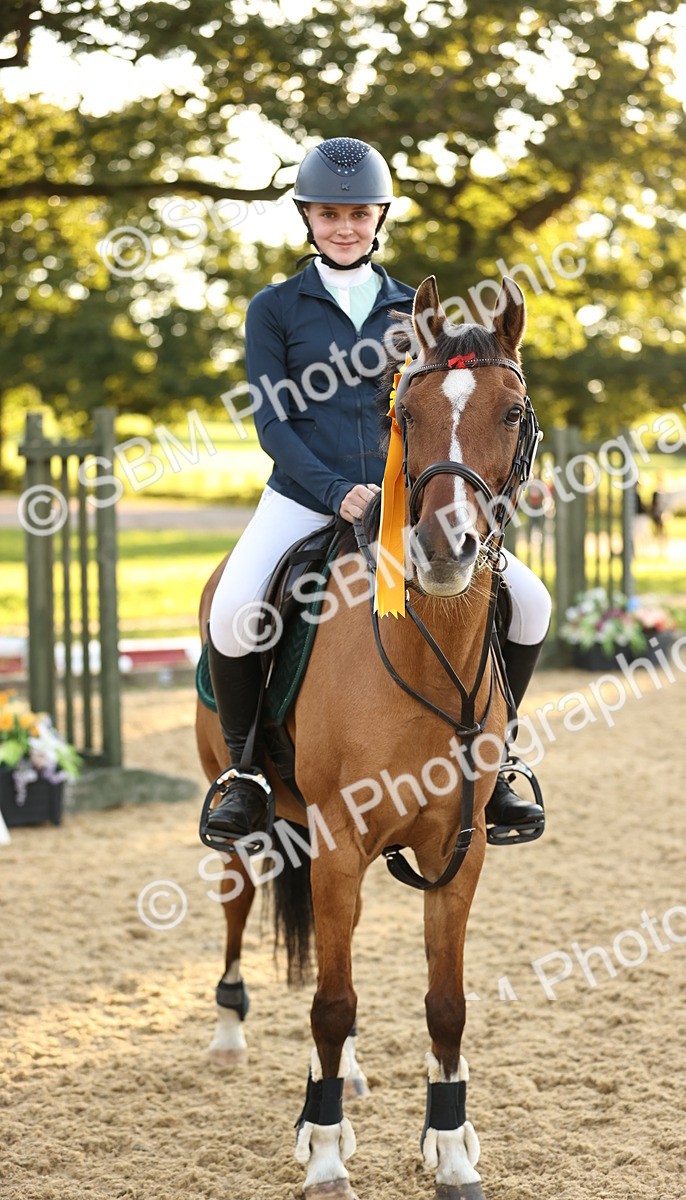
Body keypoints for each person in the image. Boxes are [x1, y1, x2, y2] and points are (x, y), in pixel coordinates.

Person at [204, 136, 551, 843]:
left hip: (405, 503)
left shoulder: (415, 310)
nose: (344, 227)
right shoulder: (275, 308)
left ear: (379, 218)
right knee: (237, 610)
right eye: (329, 213)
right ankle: (244, 776)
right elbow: (273, 422)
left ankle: (499, 757)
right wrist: (337, 493)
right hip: (304, 495)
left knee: (533, 603)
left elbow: (452, 411)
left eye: (358, 214)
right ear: (307, 217)